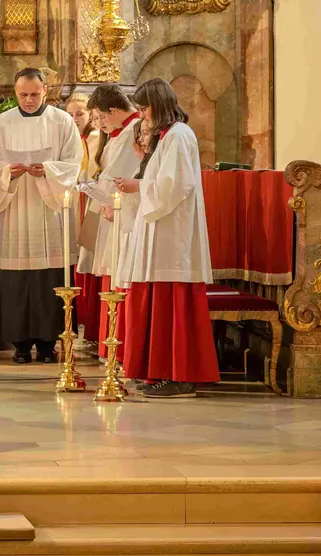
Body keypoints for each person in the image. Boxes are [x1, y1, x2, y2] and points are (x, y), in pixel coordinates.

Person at [114, 78, 218, 398]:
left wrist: (139, 187)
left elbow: (176, 185)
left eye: (144, 108)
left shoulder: (179, 135)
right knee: (156, 298)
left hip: (174, 233)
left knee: (171, 301)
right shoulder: (166, 136)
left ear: (158, 104)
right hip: (159, 227)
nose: (142, 116)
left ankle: (180, 375)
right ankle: (158, 371)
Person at [0, 68, 83, 364]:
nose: (28, 100)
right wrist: (6, 173)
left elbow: (73, 163)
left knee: (49, 276)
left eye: (34, 94)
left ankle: (49, 344)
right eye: (23, 95)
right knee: (16, 278)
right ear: (15, 93)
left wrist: (48, 170)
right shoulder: (2, 123)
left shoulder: (62, 121)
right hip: (15, 209)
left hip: (49, 209)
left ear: (45, 90)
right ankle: (20, 345)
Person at [83, 85, 142, 355]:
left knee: (116, 272)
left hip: (123, 212)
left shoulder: (134, 130)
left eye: (101, 117)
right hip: (113, 209)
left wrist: (99, 193)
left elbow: (118, 175)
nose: (100, 123)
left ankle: (117, 346)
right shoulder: (121, 132)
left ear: (114, 110)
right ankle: (110, 343)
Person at [68, 92, 103, 341]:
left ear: (91, 114)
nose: (74, 118)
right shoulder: (76, 138)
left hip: (92, 201)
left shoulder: (95, 137)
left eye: (79, 113)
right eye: (70, 114)